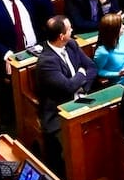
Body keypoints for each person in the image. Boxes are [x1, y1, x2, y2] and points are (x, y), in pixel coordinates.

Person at [35, 16, 97, 164]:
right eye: (69, 29)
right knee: (78, 148)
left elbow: (92, 67)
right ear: (61, 36)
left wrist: (82, 85)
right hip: (59, 110)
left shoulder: (71, 45)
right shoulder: (46, 61)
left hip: (83, 99)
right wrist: (81, 74)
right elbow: (67, 88)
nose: (72, 30)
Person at [92, 12, 124, 84]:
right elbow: (98, 71)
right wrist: (118, 74)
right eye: (121, 26)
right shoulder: (102, 51)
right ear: (113, 31)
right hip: (120, 81)